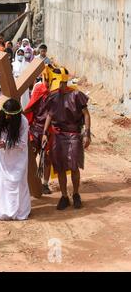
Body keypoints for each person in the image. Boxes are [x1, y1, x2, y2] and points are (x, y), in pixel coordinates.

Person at [42, 66, 91, 210]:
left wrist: (87, 133)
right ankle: (64, 196)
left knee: (74, 166)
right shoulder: (53, 96)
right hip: (58, 135)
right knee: (60, 167)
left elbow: (86, 114)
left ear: (64, 82)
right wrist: (45, 133)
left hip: (74, 135)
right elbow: (50, 115)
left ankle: (76, 194)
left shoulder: (76, 95)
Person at [0, 99, 31, 221]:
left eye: (10, 115)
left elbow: (23, 143)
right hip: (3, 156)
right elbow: (0, 134)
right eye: (6, 114)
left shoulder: (23, 122)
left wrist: (6, 144)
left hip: (18, 158)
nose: (7, 117)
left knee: (18, 182)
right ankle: (2, 211)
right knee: (3, 182)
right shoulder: (2, 118)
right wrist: (0, 143)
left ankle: (20, 212)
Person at [24, 66, 52, 195]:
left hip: (50, 130)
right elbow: (31, 106)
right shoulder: (38, 88)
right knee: (32, 155)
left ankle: (45, 184)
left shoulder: (56, 92)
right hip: (36, 128)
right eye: (46, 79)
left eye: (49, 80)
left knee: (47, 157)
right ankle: (30, 183)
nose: (47, 82)